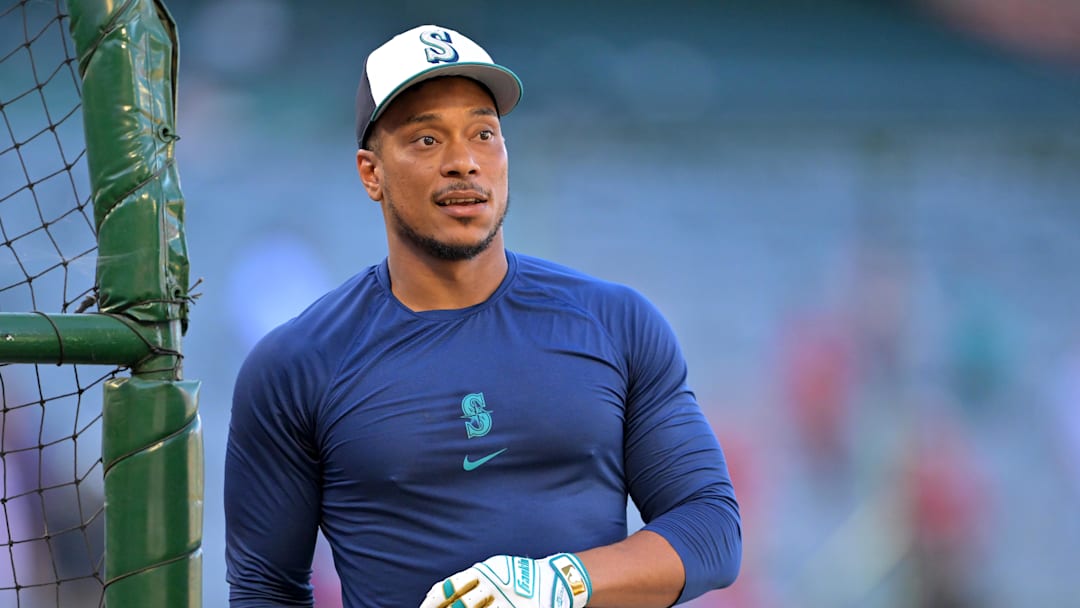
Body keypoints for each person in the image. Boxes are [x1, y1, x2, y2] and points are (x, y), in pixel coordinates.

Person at [224, 24, 741, 608]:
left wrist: (558, 584)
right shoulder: (296, 365)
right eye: (426, 140)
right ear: (372, 173)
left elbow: (710, 529)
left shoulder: (617, 323)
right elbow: (265, 589)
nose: (464, 162)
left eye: (483, 133)